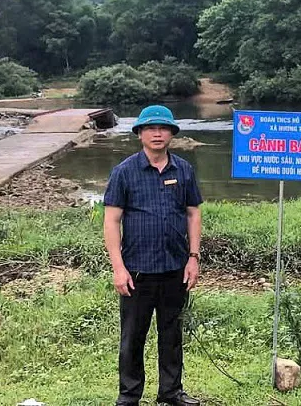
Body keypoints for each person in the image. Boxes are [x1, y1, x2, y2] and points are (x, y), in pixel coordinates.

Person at [104, 105, 203, 406]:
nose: (157, 133)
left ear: (172, 133)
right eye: (150, 128)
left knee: (171, 334)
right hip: (137, 270)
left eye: (163, 128)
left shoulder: (183, 170)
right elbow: (112, 221)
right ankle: (129, 395)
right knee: (133, 337)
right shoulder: (124, 172)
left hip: (175, 267)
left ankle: (171, 391)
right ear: (140, 134)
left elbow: (193, 213)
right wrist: (118, 268)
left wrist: (193, 257)